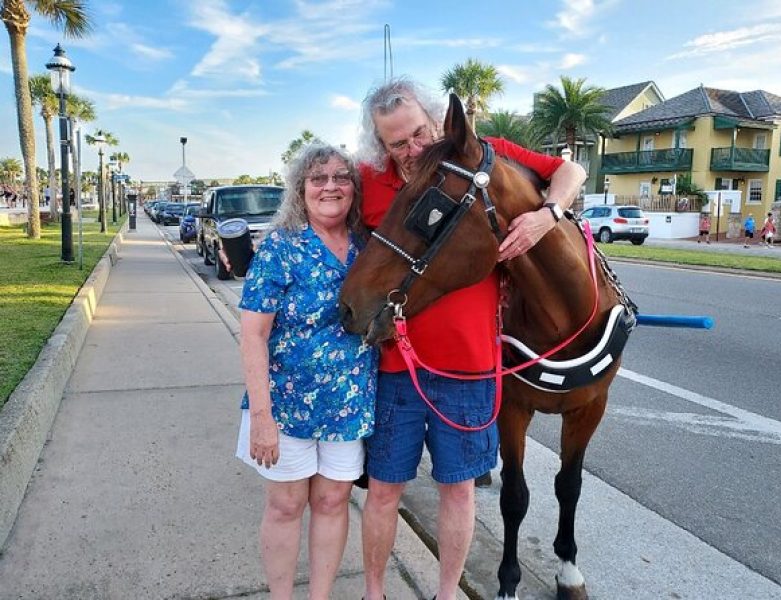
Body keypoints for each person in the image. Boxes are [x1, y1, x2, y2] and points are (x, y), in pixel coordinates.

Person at [357, 78, 587, 600]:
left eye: (418, 133)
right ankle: (374, 593)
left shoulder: (485, 157)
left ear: (437, 120)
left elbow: (569, 170)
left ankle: (445, 595)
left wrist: (544, 217)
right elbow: (327, 219)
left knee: (458, 492)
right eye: (397, 143)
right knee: (384, 492)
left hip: (468, 369)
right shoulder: (369, 181)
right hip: (397, 369)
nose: (412, 149)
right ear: (380, 146)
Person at [235, 142, 377, 599]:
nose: (330, 186)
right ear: (301, 189)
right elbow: (253, 334)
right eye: (319, 178)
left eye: (341, 177)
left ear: (354, 189)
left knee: (334, 501)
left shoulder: (369, 246)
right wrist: (261, 418)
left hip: (349, 403)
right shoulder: (281, 247)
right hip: (286, 405)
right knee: (286, 505)